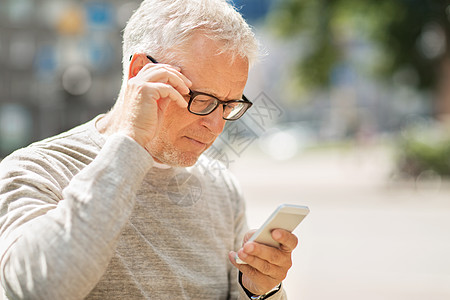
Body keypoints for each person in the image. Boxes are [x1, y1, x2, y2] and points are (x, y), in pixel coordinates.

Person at [0, 0, 299, 299]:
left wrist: (261, 291)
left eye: (228, 105)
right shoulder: (35, 170)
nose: (216, 126)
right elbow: (37, 289)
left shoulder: (220, 186)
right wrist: (131, 143)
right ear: (141, 72)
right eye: (204, 100)